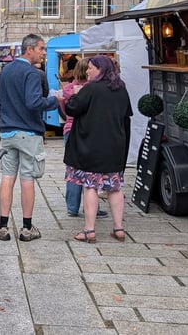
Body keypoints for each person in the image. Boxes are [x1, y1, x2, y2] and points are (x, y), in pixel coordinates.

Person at [0, 34, 59, 243]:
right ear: (29, 49)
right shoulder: (32, 73)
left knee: (7, 177)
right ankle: (27, 228)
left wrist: (4, 119)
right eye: (41, 48)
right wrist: (55, 100)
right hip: (28, 132)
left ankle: (2, 225)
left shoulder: (6, 71)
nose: (44, 53)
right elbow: (34, 102)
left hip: (7, 132)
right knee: (27, 179)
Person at [60, 55, 132, 243]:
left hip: (91, 145)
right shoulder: (121, 89)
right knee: (115, 187)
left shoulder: (90, 89)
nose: (87, 71)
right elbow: (127, 116)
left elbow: (72, 109)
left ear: (101, 69)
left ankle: (89, 230)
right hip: (115, 145)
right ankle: (118, 228)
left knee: (90, 186)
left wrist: (75, 94)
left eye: (91, 68)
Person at [60, 59, 108, 218]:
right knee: (92, 169)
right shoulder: (93, 90)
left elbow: (66, 112)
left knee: (73, 168)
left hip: (69, 129)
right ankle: (93, 207)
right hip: (89, 131)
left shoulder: (67, 89)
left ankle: (72, 207)